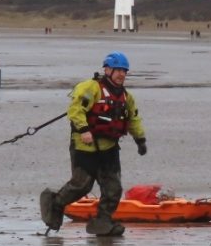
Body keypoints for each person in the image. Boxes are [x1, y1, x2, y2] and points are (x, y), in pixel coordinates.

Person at [40, 51, 147, 236]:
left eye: (124, 71)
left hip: (109, 149)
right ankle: (55, 203)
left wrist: (140, 139)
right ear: (107, 69)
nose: (121, 74)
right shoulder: (91, 88)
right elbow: (75, 110)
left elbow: (134, 120)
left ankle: (102, 222)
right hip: (85, 147)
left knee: (113, 188)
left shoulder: (126, 97)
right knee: (81, 185)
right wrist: (83, 130)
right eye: (118, 70)